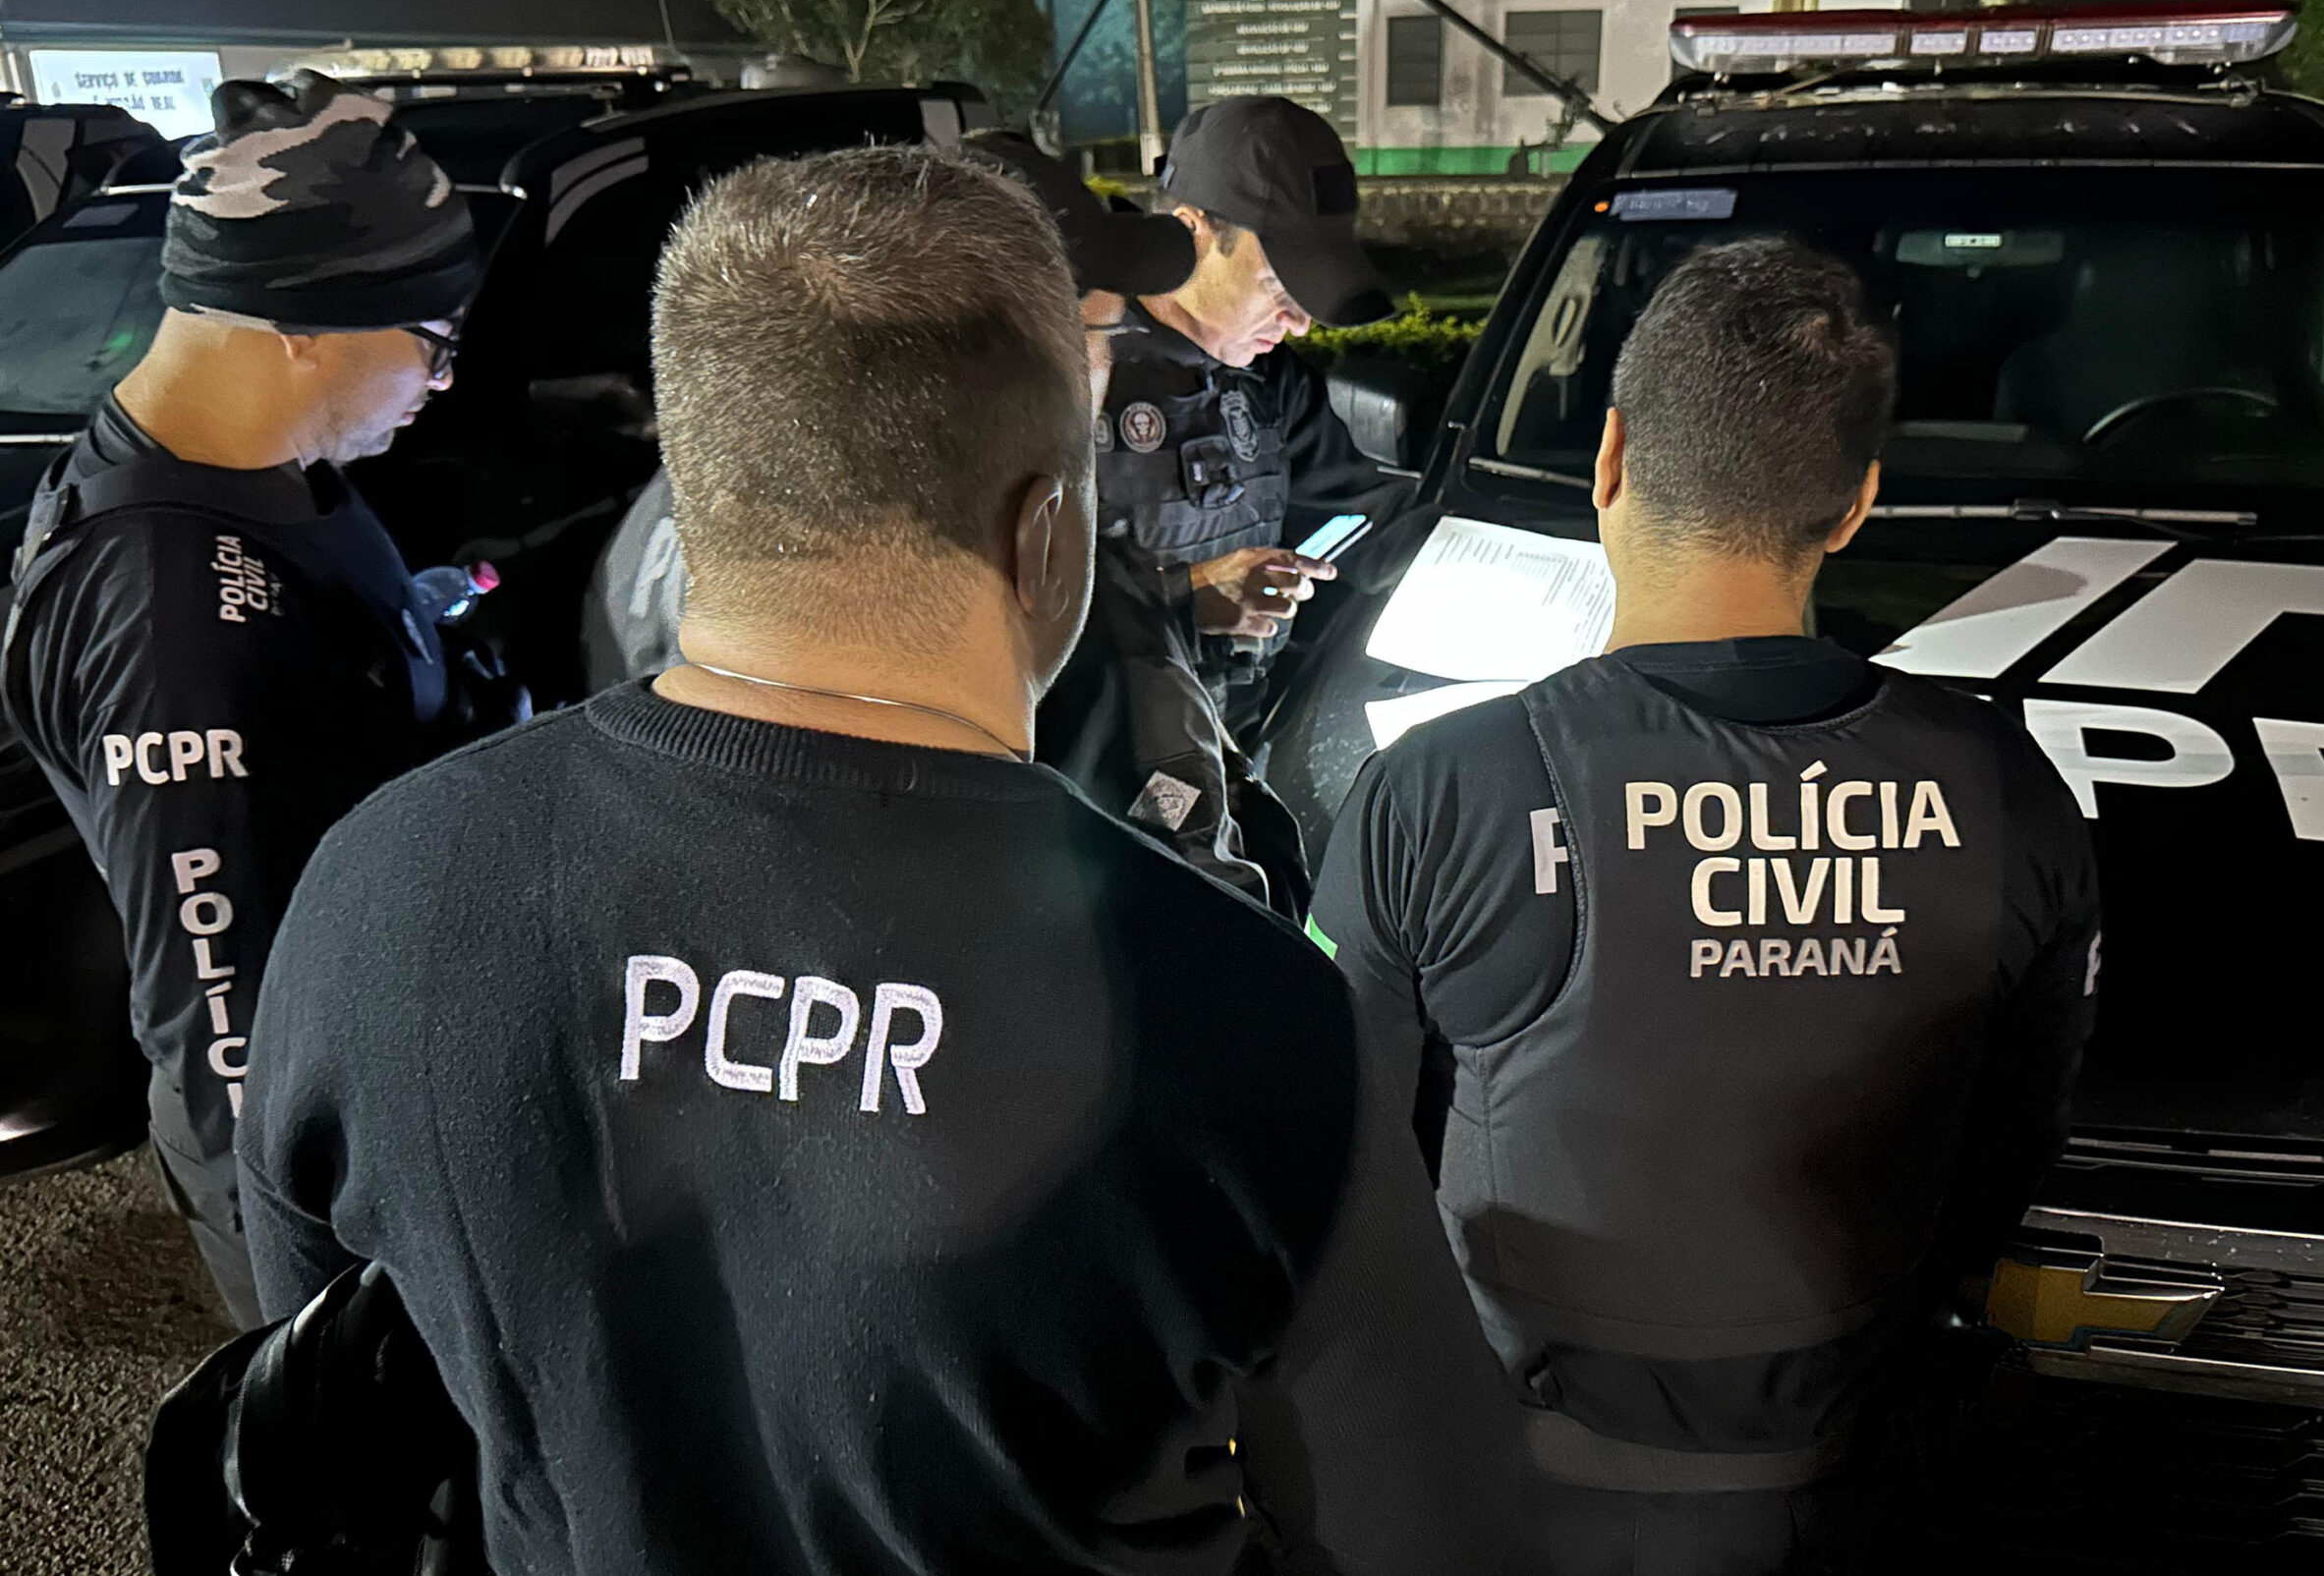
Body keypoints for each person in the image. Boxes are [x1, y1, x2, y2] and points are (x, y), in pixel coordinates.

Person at [238, 146, 1519, 1575]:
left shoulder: (383, 885)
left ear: (707, 489)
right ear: (1046, 533)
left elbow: (325, 1387)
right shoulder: (1243, 1010)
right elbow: (1434, 1528)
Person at [1308, 238, 2103, 1574]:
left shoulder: (1443, 788)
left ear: (1611, 458)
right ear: (1854, 505)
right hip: (1864, 1491)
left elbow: (1336, 1171)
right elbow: (2004, 1163)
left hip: (1520, 1497)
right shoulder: (2006, 790)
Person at [2, 72, 492, 1327]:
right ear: (301, 323)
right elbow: (225, 1036)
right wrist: (317, 1331)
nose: (443, 383)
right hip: (347, 1188)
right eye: (433, 341)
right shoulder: (162, 618)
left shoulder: (251, 459)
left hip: (402, 1059)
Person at [584, 129, 1306, 909]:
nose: (1109, 371)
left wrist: (1175, 599)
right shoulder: (1035, 595)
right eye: (1099, 337)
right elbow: (1202, 908)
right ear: (988, 382)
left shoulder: (682, 505)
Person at [1100, 95, 1406, 722]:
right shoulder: (1081, 368)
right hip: (1103, 755)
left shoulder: (1271, 379)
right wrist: (1181, 597)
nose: (1299, 324)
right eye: (1278, 287)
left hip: (1239, 741)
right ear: (1192, 232)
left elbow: (1368, 518)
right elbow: (999, 605)